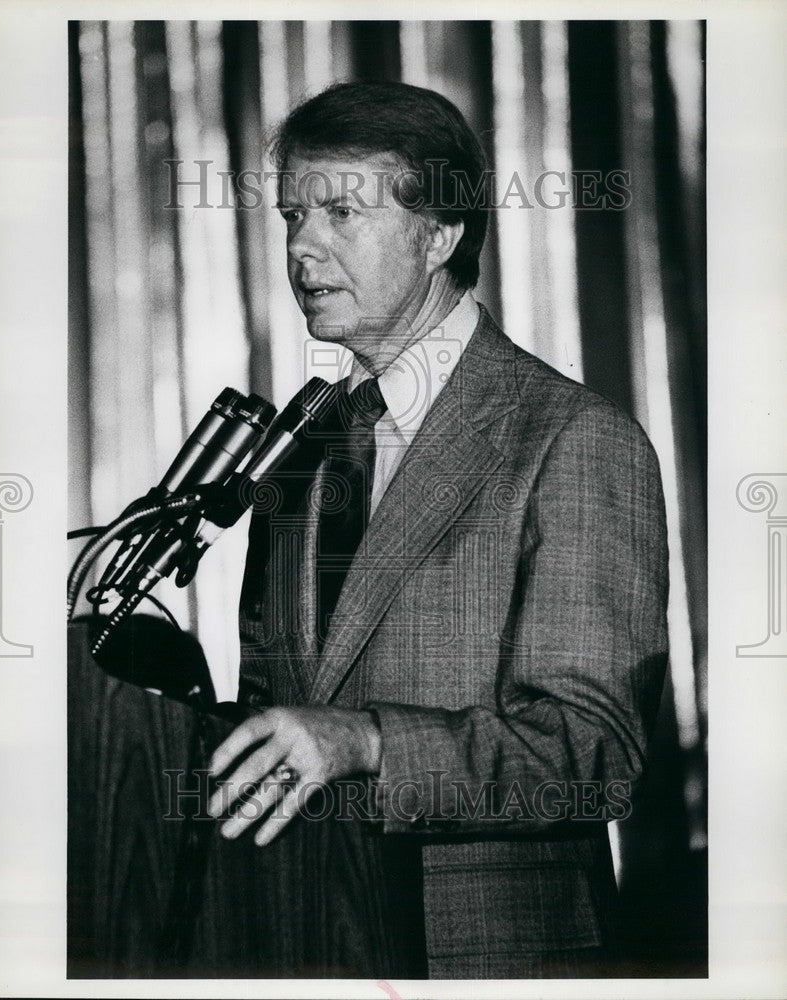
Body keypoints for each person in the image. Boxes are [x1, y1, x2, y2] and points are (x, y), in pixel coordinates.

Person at [206, 81, 669, 979]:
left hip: (494, 962)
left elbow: (593, 752)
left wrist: (367, 742)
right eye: (294, 214)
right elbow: (277, 703)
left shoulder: (571, 439)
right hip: (310, 945)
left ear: (440, 235)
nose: (302, 246)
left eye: (342, 212)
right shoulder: (303, 450)